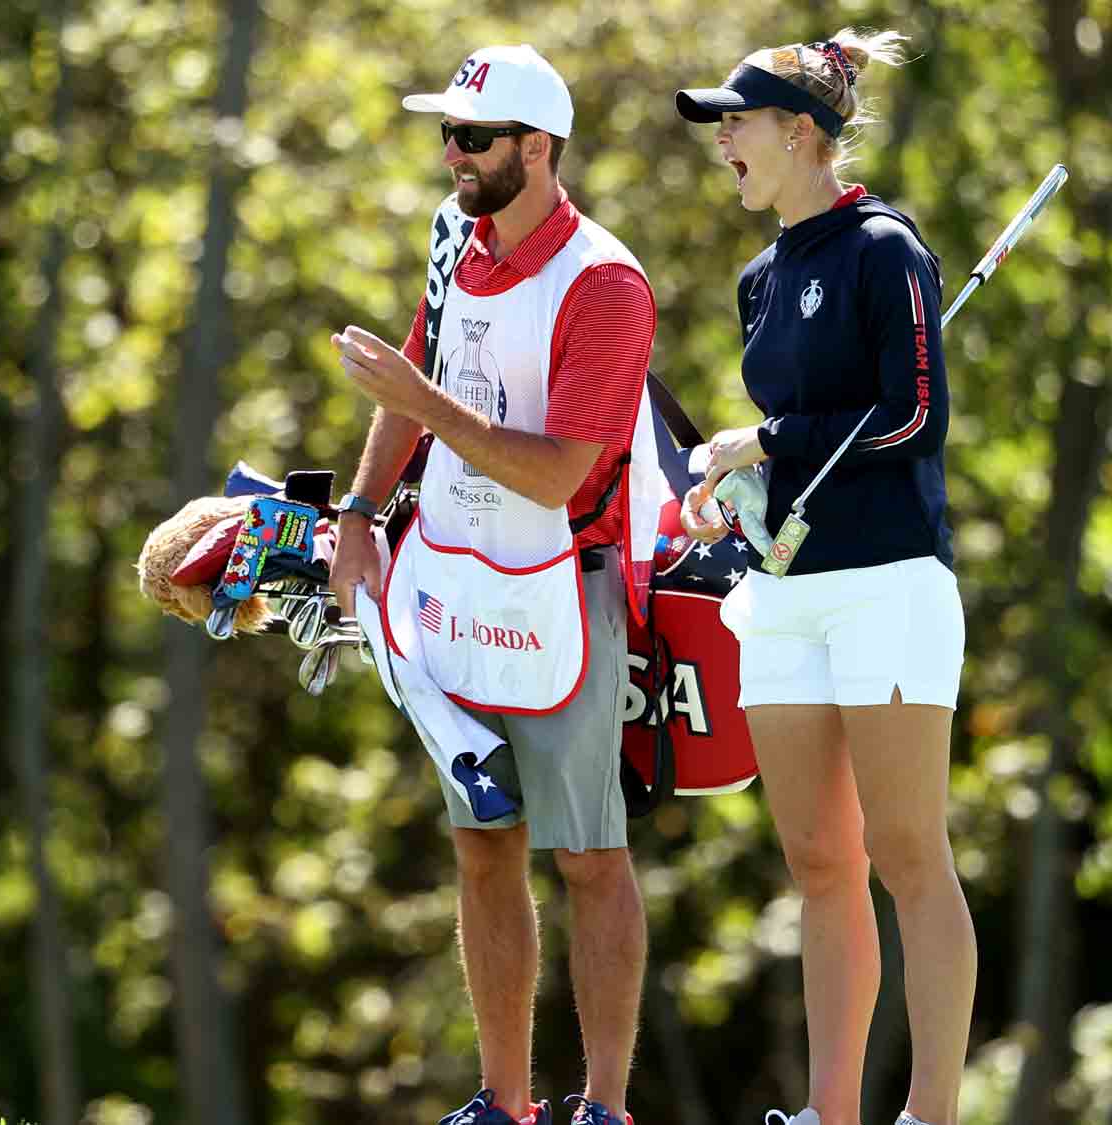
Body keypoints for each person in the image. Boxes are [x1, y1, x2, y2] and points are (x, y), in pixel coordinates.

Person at [329, 44, 656, 1125]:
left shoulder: (602, 282)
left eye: (472, 138)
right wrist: (357, 517)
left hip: (566, 592)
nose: (451, 155)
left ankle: (601, 1108)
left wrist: (423, 404)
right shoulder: (453, 241)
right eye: (446, 134)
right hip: (456, 584)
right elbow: (408, 384)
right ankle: (502, 1103)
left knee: (590, 858)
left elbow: (561, 471)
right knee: (480, 848)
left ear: (537, 148)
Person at [674, 29, 973, 1125]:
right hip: (786, 591)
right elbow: (794, 440)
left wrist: (761, 442)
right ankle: (831, 1113)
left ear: (801, 134)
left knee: (904, 849)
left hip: (887, 584)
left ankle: (930, 1112)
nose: (722, 146)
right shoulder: (760, 277)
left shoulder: (883, 249)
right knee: (815, 859)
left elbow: (912, 417)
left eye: (736, 124)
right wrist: (734, 480)